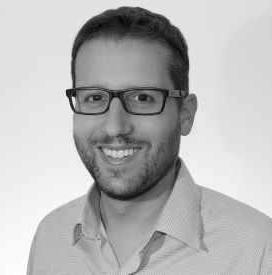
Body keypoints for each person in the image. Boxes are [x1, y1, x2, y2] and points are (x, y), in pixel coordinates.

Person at [27, 6, 272, 274]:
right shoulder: (50, 240)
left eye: (143, 98)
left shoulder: (257, 251)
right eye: (95, 98)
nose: (114, 127)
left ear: (185, 115)